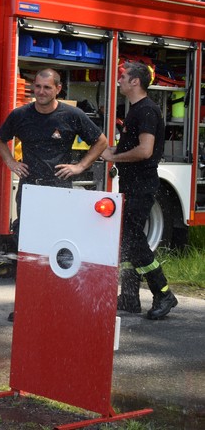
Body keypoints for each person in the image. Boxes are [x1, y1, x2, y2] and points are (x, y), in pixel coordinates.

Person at [0, 68, 108, 321]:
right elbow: (0, 139)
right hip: (30, 191)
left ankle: (59, 302)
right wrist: (11, 162)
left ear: (58, 89)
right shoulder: (20, 115)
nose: (41, 92)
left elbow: (101, 141)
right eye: (37, 87)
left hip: (59, 193)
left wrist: (80, 166)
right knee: (28, 251)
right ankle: (26, 304)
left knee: (57, 250)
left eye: (47, 87)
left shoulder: (72, 115)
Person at [102, 61, 178, 320]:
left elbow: (145, 151)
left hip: (141, 187)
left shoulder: (146, 111)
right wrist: (108, 151)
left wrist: (114, 158)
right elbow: (128, 148)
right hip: (131, 185)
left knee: (134, 241)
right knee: (125, 240)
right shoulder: (135, 110)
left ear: (135, 82)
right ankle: (130, 297)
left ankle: (163, 292)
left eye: (123, 77)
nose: (119, 80)